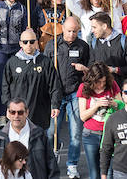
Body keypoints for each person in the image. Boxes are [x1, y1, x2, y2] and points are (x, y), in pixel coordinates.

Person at [45, 16, 90, 178]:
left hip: (75, 93)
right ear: (62, 29)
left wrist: (83, 68)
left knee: (76, 133)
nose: (71, 34)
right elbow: (46, 69)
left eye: (75, 31)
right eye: (69, 31)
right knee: (50, 132)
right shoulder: (53, 45)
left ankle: (72, 164)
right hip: (55, 94)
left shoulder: (83, 46)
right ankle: (52, 155)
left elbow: (90, 71)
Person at [1, 28, 61, 130]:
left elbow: (54, 85)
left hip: (40, 113)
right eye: (25, 42)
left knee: (37, 143)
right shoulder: (12, 62)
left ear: (36, 42)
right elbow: (5, 87)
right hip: (18, 113)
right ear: (20, 44)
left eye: (32, 42)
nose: (28, 44)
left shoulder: (45, 62)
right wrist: (8, 105)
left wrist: (55, 105)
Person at [0, 99, 60, 179]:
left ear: (27, 112)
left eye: (20, 112)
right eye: (13, 112)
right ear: (7, 113)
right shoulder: (0, 137)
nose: (16, 116)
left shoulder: (39, 134)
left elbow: (51, 164)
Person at [77, 63, 121, 179]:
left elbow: (121, 108)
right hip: (91, 134)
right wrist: (96, 105)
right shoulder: (83, 87)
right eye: (98, 82)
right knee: (94, 173)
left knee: (110, 172)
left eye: (104, 82)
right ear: (92, 80)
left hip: (110, 133)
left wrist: (114, 103)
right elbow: (83, 116)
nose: (101, 86)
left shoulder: (112, 85)